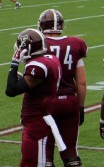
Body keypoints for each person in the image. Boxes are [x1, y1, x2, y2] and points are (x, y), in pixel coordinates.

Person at [5, 29, 62, 167]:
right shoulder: (50, 59)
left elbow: (11, 90)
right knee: (27, 163)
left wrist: (14, 62)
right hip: (37, 120)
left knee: (33, 163)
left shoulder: (38, 65)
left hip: (37, 123)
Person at [40, 9, 86, 166]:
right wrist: (80, 106)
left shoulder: (38, 44)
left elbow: (32, 81)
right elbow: (81, 82)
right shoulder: (76, 44)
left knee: (45, 156)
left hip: (46, 104)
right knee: (71, 153)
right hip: (69, 101)